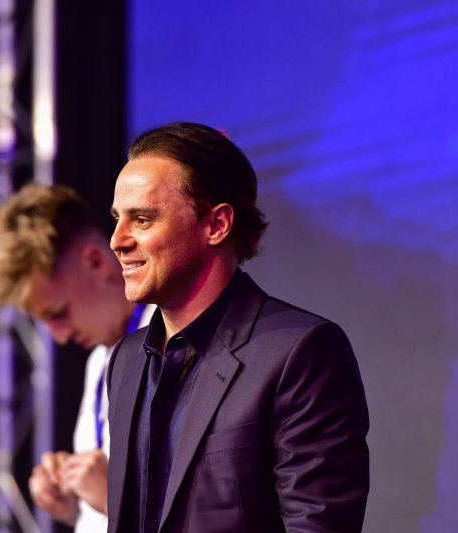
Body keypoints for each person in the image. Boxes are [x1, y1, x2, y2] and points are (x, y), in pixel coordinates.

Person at [106, 122, 370, 532]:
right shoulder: (127, 359)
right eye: (117, 219)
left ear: (217, 225)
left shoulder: (300, 351)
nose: (117, 241)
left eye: (142, 219)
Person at [0, 183, 153, 532]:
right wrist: (75, 507)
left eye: (58, 313)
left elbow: (207, 509)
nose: (59, 337)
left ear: (95, 262)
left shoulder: (177, 342)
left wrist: (113, 499)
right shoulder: (99, 362)